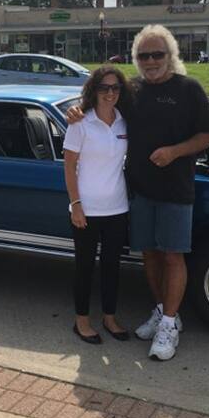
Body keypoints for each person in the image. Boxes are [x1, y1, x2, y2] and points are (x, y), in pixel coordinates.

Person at [68, 24, 209, 360]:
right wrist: (76, 111)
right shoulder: (131, 91)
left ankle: (167, 325)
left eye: (157, 54)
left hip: (176, 190)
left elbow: (208, 134)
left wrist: (175, 152)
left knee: (173, 255)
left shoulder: (189, 89)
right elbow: (101, 106)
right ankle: (164, 311)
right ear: (136, 59)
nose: (151, 61)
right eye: (143, 55)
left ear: (171, 55)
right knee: (149, 254)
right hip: (137, 193)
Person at [63, 66, 132, 345]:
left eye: (115, 88)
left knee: (112, 266)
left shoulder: (124, 121)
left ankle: (109, 317)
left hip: (117, 207)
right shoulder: (80, 122)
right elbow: (69, 167)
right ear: (94, 90)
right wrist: (76, 204)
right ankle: (81, 321)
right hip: (87, 208)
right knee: (84, 266)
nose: (110, 93)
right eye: (104, 88)